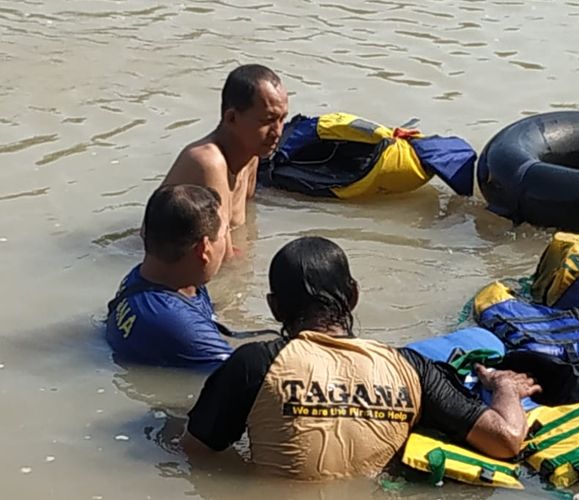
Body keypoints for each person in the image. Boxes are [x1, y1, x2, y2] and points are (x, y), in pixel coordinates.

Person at [184, 236, 540, 480]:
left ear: (275, 307)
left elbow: (195, 454)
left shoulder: (254, 365)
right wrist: (505, 387)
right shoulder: (409, 369)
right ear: (353, 296)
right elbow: (506, 440)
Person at [162, 64, 288, 259]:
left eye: (282, 119)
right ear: (231, 118)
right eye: (267, 120)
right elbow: (224, 255)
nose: (278, 132)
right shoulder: (209, 162)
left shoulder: (252, 154)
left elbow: (248, 225)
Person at [106, 184, 233, 368]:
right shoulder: (176, 325)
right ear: (204, 250)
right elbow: (254, 380)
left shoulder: (147, 276)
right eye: (225, 233)